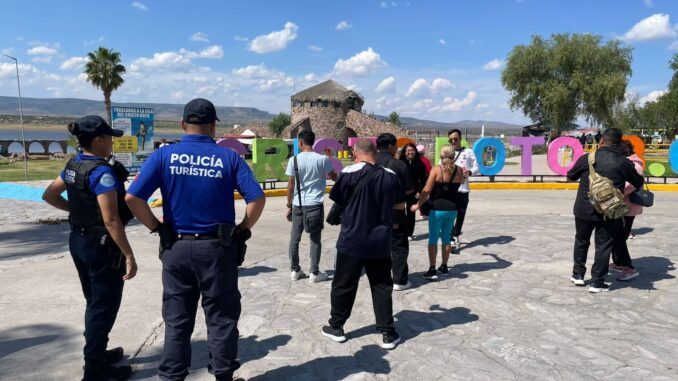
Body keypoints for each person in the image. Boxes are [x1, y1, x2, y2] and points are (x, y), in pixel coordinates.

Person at [125, 98, 265, 381]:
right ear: (214, 126)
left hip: (175, 247)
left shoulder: (164, 156)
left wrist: (156, 227)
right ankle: (223, 376)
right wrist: (242, 229)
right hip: (217, 250)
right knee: (222, 318)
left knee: (177, 321)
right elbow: (257, 199)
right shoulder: (229, 158)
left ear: (182, 124)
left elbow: (132, 198)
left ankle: (172, 377)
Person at [42, 115, 137, 381]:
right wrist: (129, 255)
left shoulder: (74, 165)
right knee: (103, 306)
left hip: (79, 241)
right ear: (98, 140)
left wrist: (78, 210)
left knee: (94, 302)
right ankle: (94, 369)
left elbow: (49, 194)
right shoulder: (101, 173)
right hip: (101, 247)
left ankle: (96, 352)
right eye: (108, 138)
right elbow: (111, 220)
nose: (111, 143)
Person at [321, 139, 406, 349]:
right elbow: (399, 205)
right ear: (374, 153)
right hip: (380, 242)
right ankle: (387, 332)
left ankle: (337, 326)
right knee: (381, 286)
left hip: (351, 240)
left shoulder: (348, 174)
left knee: (343, 284)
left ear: (356, 152)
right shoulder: (391, 176)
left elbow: (338, 200)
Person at [566, 128, 644, 293]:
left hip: (583, 208)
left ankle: (578, 275)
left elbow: (570, 176)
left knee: (581, 240)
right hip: (609, 209)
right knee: (604, 245)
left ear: (601, 140)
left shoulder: (588, 158)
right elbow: (638, 181)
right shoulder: (624, 162)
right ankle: (597, 282)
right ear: (618, 143)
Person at [286, 129, 337, 283]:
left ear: (300, 142)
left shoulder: (293, 160)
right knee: (315, 239)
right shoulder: (322, 160)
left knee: (295, 238)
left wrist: (289, 204)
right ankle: (314, 272)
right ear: (313, 142)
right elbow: (335, 178)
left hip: (298, 205)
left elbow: (290, 186)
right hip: (315, 204)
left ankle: (295, 270)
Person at [411, 144, 464, 280]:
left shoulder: (436, 170)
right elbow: (461, 183)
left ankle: (432, 269)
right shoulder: (459, 171)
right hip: (452, 209)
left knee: (433, 238)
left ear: (441, 155)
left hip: (436, 209)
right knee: (446, 238)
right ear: (454, 156)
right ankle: (444, 266)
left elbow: (427, 190)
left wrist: (418, 205)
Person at [376, 133, 414, 291]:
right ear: (391, 146)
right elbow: (410, 188)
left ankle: (378, 277)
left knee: (377, 244)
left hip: (373, 212)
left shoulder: (369, 162)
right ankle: (399, 279)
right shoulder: (398, 165)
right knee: (398, 246)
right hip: (395, 211)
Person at [609, 140, 644, 281]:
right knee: (616, 236)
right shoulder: (628, 162)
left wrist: (611, 193)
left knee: (619, 238)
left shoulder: (634, 165)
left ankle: (629, 268)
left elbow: (629, 186)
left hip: (627, 208)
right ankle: (618, 262)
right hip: (622, 206)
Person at [447, 129, 479, 249]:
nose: (453, 141)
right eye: (451, 139)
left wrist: (469, 172)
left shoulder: (469, 152)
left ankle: (455, 235)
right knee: (450, 214)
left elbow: (477, 167)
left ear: (460, 139)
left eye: (456, 139)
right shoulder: (446, 152)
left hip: (463, 188)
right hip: (449, 189)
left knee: (461, 214)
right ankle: (450, 236)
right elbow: (440, 166)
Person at [399, 143, 428, 240]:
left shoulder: (420, 164)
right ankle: (401, 231)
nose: (410, 152)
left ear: (416, 151)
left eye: (412, 150)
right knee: (400, 212)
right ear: (404, 152)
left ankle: (409, 233)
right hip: (401, 191)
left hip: (414, 193)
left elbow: (423, 180)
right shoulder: (400, 162)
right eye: (408, 150)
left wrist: (419, 192)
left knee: (411, 213)